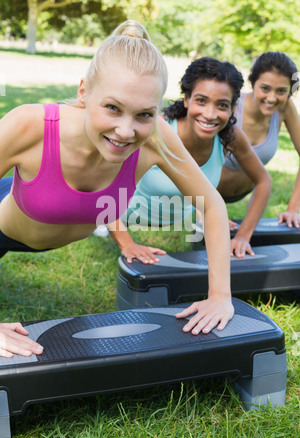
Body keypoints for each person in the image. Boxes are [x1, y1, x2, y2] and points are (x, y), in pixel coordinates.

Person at [0, 21, 233, 358]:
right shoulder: (29, 125)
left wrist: (220, 296)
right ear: (83, 91)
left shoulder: (156, 137)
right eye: (112, 107)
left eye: (144, 114)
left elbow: (212, 205)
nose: (126, 131)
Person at [107, 57, 271, 260]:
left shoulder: (230, 135)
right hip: (127, 216)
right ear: (187, 99)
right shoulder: (156, 129)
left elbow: (263, 181)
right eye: (201, 101)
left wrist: (243, 236)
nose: (210, 114)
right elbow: (103, 185)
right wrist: (128, 244)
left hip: (182, 219)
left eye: (222, 105)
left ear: (232, 108)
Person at [218, 51, 300, 230]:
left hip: (247, 191)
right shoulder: (232, 105)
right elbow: (194, 156)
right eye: (265, 88)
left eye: (281, 91)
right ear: (253, 83)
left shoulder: (285, 109)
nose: (272, 98)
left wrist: (294, 208)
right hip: (210, 191)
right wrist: (206, 211)